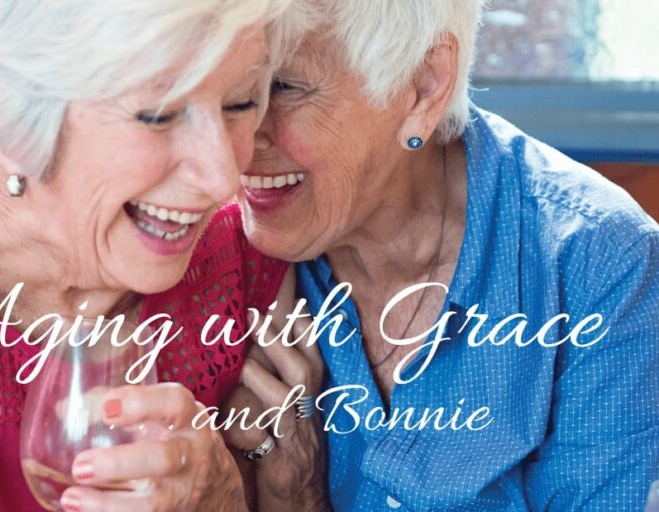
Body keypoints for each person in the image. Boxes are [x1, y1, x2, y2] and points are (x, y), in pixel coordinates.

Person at [224, 0, 659, 510]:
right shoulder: (210, 254)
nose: (241, 137)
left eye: (285, 87)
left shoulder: (599, 263)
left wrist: (299, 496)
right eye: (234, 89)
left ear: (424, 86)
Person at [0, 0, 312, 510]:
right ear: (0, 126)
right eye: (158, 115)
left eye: (241, 103)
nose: (224, 177)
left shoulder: (245, 254)